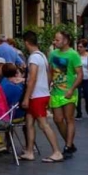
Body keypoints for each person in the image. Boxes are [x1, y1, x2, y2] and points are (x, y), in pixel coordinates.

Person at [19, 30, 64, 163]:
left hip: (36, 95)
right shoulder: (43, 56)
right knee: (29, 122)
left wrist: (27, 97)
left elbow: (32, 78)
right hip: (42, 93)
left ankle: (56, 151)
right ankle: (29, 151)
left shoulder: (33, 58)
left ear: (26, 43)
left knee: (43, 124)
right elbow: (48, 75)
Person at [48, 30, 83, 155]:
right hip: (56, 91)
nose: (55, 42)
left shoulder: (73, 55)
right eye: (55, 39)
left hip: (69, 91)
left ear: (66, 41)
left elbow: (80, 74)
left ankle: (68, 146)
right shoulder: (53, 54)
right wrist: (48, 88)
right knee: (57, 119)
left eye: (58, 40)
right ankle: (70, 143)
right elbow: (50, 72)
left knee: (69, 119)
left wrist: (72, 89)